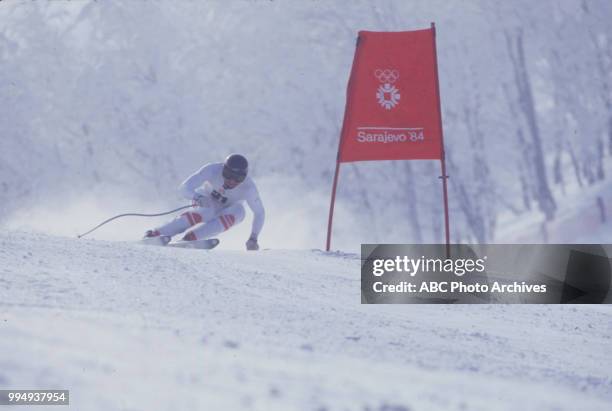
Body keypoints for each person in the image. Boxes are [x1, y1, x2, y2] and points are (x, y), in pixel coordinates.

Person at [143, 154, 264, 250]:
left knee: (240, 212)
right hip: (206, 200)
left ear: (244, 178)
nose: (232, 181)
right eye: (228, 175)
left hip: (227, 210)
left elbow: (260, 213)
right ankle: (157, 234)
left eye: (238, 178)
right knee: (207, 210)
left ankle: (191, 238)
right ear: (223, 169)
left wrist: (253, 238)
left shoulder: (249, 188)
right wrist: (197, 197)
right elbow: (184, 188)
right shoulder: (212, 169)